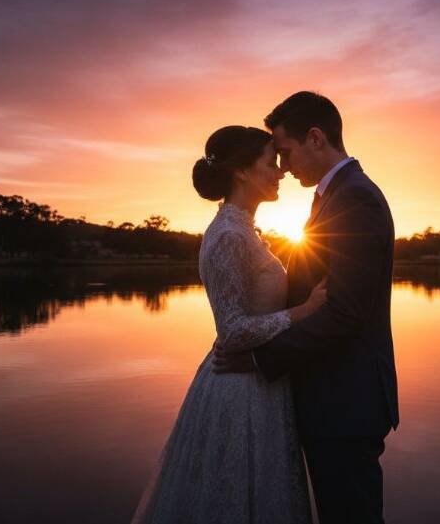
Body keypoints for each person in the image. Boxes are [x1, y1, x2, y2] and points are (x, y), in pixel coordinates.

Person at [214, 92, 399, 524]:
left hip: (346, 403)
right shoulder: (334, 196)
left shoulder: (354, 198)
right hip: (332, 398)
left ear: (315, 138)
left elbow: (346, 312)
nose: (282, 166)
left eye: (285, 151)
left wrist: (260, 359)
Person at [132, 125, 325, 524]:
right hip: (239, 390)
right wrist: (301, 313)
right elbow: (232, 330)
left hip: (260, 381)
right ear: (241, 171)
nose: (280, 172)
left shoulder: (243, 231)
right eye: (270, 163)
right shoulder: (227, 236)